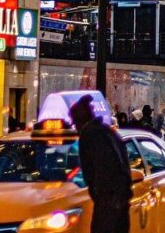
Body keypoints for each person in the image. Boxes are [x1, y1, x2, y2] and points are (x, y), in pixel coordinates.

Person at [69, 95, 131, 233]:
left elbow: (101, 169)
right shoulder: (108, 132)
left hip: (108, 203)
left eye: (75, 122)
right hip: (120, 202)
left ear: (80, 120)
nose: (76, 127)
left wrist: (103, 197)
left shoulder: (90, 134)